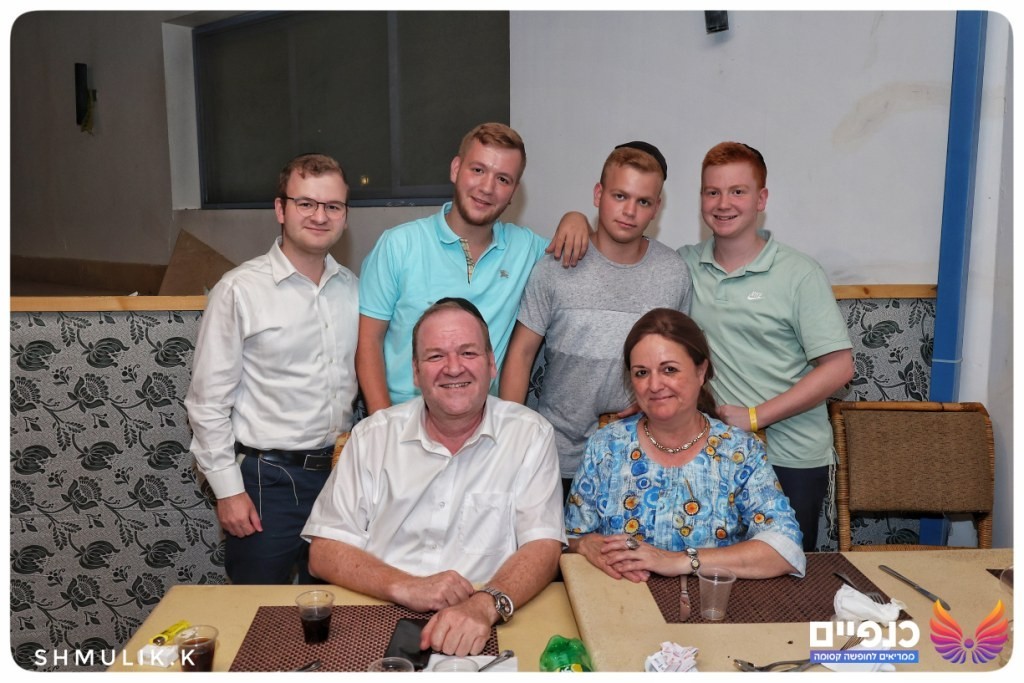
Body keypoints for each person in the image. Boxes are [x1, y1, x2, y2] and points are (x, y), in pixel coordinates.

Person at [303, 298, 564, 656]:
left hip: (486, 621)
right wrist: (406, 586)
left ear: (491, 363)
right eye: (436, 356)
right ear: (415, 372)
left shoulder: (530, 435)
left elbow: (544, 547)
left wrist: (485, 604)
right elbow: (323, 552)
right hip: (377, 612)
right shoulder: (372, 436)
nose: (453, 368)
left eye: (468, 353)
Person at [185, 153, 358, 584]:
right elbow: (206, 404)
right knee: (259, 610)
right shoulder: (239, 291)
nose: (320, 216)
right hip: (266, 484)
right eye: (306, 203)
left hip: (342, 479)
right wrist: (228, 491)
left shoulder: (354, 291)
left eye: (333, 206)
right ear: (281, 209)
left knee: (337, 607)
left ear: (345, 215)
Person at [678, 142, 853, 551]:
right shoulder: (683, 266)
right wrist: (575, 220)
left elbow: (840, 367)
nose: (723, 203)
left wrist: (755, 417)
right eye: (712, 192)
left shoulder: (800, 273)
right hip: (714, 454)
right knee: (713, 569)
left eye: (737, 191)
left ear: (761, 199)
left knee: (782, 571)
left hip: (790, 458)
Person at [357, 122, 591, 414]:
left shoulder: (526, 249)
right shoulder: (399, 245)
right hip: (404, 415)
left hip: (483, 423)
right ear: (456, 169)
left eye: (503, 179)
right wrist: (382, 425)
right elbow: (368, 342)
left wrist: (576, 218)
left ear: (514, 192)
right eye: (478, 170)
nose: (487, 188)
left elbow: (592, 252)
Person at [500, 141, 691, 494]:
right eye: (620, 196)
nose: (629, 211)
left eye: (643, 202)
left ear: (656, 209)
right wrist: (511, 439)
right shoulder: (556, 266)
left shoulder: (673, 273)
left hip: (639, 458)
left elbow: (681, 366)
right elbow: (521, 354)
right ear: (598, 194)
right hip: (556, 458)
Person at [564, 308, 805, 581]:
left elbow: (785, 549)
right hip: (622, 600)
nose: (655, 385)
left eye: (669, 369)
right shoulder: (606, 446)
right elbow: (569, 538)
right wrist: (582, 544)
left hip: (714, 603)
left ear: (701, 371)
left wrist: (677, 561)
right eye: (641, 373)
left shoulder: (738, 451)